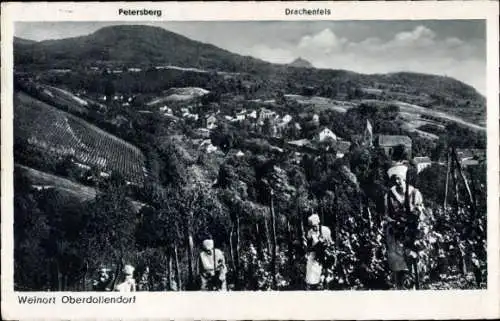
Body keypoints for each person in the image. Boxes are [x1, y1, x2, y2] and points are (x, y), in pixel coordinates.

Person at [383, 164, 424, 289]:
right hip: (396, 232)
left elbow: (420, 210)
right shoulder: (389, 195)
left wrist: (415, 215)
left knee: (414, 257)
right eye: (394, 179)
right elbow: (386, 214)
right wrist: (394, 222)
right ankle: (399, 285)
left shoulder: (414, 192)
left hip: (412, 230)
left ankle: (415, 282)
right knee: (397, 261)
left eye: (399, 178)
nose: (397, 181)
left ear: (404, 179)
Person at [304, 213, 333, 290]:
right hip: (315, 252)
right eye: (312, 227)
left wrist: (326, 246)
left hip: (326, 251)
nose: (314, 228)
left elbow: (330, 242)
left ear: (318, 223)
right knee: (311, 265)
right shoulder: (310, 233)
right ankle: (312, 284)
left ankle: (326, 283)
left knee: (327, 267)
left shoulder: (325, 230)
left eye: (315, 226)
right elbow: (309, 245)